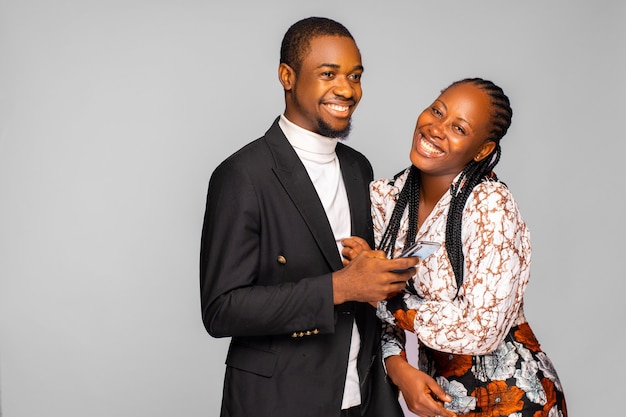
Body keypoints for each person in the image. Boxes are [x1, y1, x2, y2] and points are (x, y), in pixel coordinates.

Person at [199, 17, 424, 417]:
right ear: (287, 76)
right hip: (281, 399)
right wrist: (340, 287)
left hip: (366, 394)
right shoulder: (242, 175)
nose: (347, 89)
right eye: (328, 74)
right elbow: (222, 309)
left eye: (355, 76)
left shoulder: (358, 168)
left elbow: (367, 287)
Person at [343, 78, 568, 416]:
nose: (436, 128)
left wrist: (378, 290)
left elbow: (480, 331)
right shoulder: (385, 199)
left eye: (459, 128)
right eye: (437, 111)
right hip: (443, 400)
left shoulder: (490, 205)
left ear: (482, 150)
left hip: (517, 399)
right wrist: (397, 366)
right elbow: (378, 316)